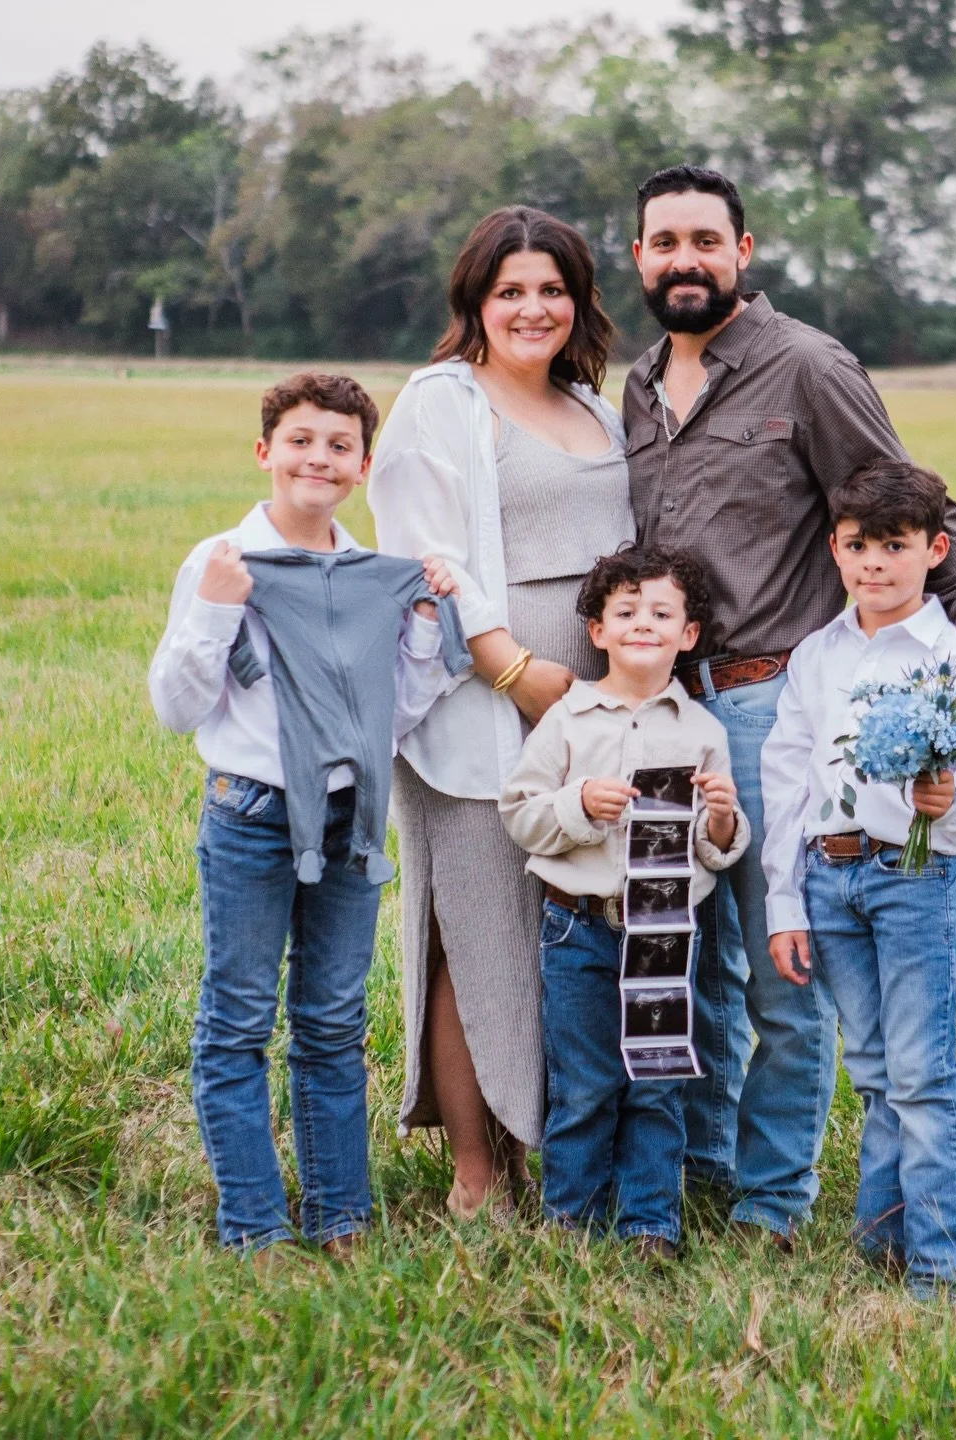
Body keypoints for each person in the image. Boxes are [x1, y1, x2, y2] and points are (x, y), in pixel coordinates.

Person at [622, 164, 956, 1246]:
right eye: (665, 243)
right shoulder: (640, 383)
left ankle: (771, 1202)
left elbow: (914, 502)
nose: (685, 260)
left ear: (743, 252)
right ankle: (705, 1163)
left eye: (706, 241)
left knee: (779, 971)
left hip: (771, 703)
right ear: (640, 259)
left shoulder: (805, 366)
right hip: (665, 710)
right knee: (691, 955)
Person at [147, 372, 464, 1260]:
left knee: (331, 1020)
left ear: (362, 467)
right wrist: (216, 609)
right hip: (249, 813)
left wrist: (428, 623)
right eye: (299, 440)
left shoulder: (372, 580)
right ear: (265, 452)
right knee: (239, 1019)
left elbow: (391, 716)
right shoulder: (221, 562)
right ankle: (254, 1223)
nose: (316, 458)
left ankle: (339, 1216)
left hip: (347, 819)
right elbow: (176, 708)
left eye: (337, 446)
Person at [368, 207, 635, 1219]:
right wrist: (515, 671)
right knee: (474, 930)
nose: (533, 308)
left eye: (552, 289)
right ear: (475, 299)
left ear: (579, 301)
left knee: (560, 926)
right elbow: (416, 556)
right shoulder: (442, 401)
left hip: (596, 709)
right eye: (510, 290)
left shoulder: (594, 409)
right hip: (484, 702)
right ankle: (478, 1173)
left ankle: (562, 1139)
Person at [759, 461, 956, 1296]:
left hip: (915, 884)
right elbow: (787, 780)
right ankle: (883, 1240)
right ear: (834, 551)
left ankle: (946, 1268)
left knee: (923, 1075)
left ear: (934, 550)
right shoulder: (815, 656)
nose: (874, 563)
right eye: (857, 545)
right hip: (829, 881)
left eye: (895, 546)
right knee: (870, 1068)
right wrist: (783, 901)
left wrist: (942, 805)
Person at [498, 546, 748, 1258]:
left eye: (663, 613)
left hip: (666, 933)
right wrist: (577, 804)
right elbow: (519, 811)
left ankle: (648, 1224)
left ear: (688, 635)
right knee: (585, 1084)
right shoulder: (568, 722)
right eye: (627, 612)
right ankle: (570, 1220)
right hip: (579, 929)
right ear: (598, 631)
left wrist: (723, 821)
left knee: (656, 1085)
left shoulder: (701, 731)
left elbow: (714, 847)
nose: (645, 624)